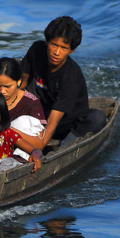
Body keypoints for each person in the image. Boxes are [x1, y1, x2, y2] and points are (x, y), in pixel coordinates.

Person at [20, 16, 106, 146]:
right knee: (11, 72)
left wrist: (37, 149)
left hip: (65, 122)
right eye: (54, 45)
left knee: (96, 118)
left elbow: (53, 121)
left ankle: (65, 146)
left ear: (72, 50)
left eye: (63, 48)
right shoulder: (37, 50)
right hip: (43, 110)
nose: (57, 52)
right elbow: (22, 83)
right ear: (47, 42)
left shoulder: (71, 77)